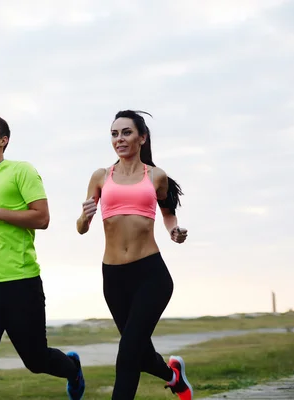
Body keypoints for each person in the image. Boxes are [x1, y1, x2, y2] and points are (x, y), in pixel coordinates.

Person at [0, 113, 85, 400]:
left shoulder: (22, 171)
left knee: (36, 360)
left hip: (21, 283)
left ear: (3, 141)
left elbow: (42, 218)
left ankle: (73, 369)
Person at [76, 110, 193, 400]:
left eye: (126, 132)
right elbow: (81, 228)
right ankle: (173, 376)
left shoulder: (156, 176)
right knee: (138, 351)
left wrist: (174, 231)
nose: (119, 139)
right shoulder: (101, 176)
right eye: (114, 134)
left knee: (127, 353)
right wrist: (85, 216)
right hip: (114, 276)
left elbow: (168, 214)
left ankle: (171, 376)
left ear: (142, 137)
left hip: (150, 274)